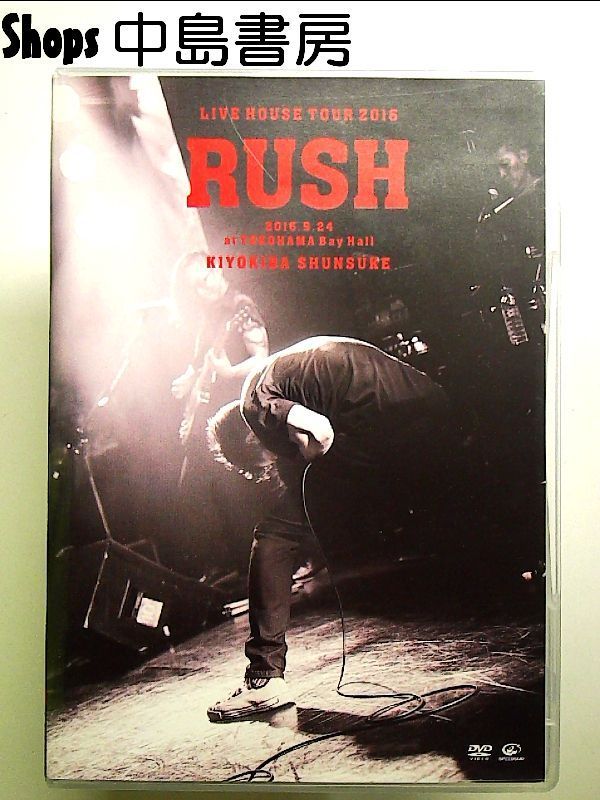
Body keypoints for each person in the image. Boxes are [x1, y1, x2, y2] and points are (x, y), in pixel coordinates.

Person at [205, 336, 454, 721]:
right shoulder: (278, 372)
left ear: (249, 439)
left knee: (274, 536)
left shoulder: (253, 406)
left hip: (385, 427)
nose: (269, 465)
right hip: (433, 406)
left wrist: (308, 458)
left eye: (258, 465)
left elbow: (320, 432)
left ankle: (264, 679)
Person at [170, 252, 269, 579]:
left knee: (234, 491)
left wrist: (229, 372)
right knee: (196, 491)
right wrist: (189, 380)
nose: (206, 287)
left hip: (239, 411)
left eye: (207, 278)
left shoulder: (241, 306)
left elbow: (262, 357)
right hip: (213, 416)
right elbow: (201, 361)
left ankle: (255, 563)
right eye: (196, 286)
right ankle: (228, 568)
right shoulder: (208, 318)